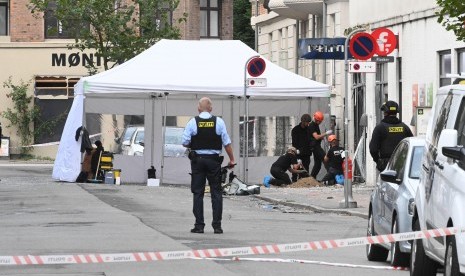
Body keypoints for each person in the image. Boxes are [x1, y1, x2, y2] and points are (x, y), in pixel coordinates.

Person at [182, 97, 235, 234]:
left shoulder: (193, 122)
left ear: (198, 109)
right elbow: (226, 143)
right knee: (216, 192)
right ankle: (217, 226)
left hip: (198, 161)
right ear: (211, 109)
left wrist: (195, 141)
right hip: (213, 161)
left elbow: (185, 142)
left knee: (198, 193)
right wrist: (232, 159)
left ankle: (199, 225)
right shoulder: (219, 122)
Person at [369, 100, 413, 172]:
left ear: (385, 113)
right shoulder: (405, 128)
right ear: (396, 113)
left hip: (385, 165)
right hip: (402, 165)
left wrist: (378, 161)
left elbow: (373, 149)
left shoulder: (379, 128)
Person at [308, 111, 332, 179]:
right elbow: (316, 137)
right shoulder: (312, 125)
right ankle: (331, 176)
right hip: (315, 147)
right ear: (317, 120)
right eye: (320, 121)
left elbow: (317, 137)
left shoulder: (315, 125)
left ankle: (312, 178)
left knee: (318, 164)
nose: (321, 122)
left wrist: (321, 137)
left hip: (315, 146)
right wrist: (326, 133)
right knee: (326, 159)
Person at [291, 113, 312, 182]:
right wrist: (298, 151)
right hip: (298, 153)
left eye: (309, 122)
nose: (308, 124)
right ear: (303, 121)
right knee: (296, 168)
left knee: (305, 168)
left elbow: (310, 141)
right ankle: (294, 182)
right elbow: (294, 142)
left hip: (306, 153)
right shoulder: (295, 130)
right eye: (307, 122)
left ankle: (304, 182)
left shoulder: (309, 130)